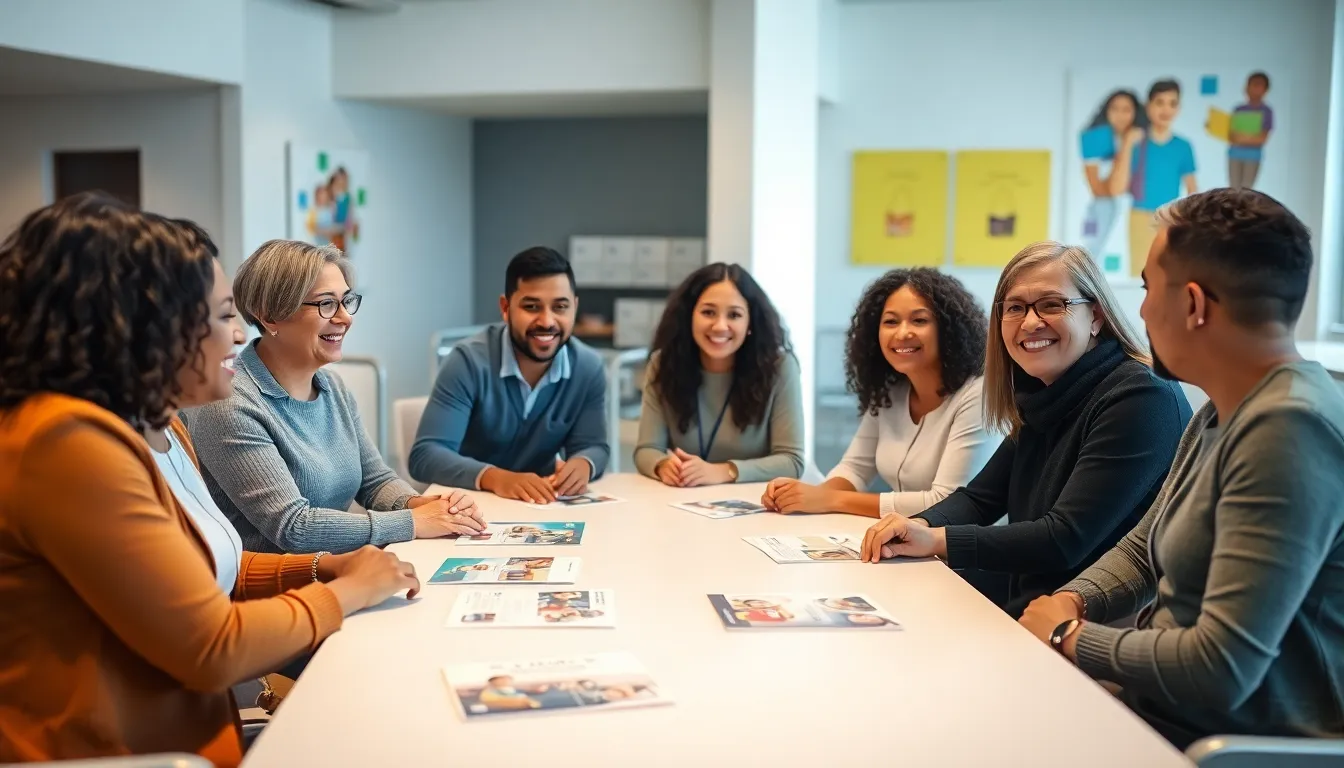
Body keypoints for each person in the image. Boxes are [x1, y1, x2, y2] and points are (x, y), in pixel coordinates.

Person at [0, 194, 420, 766]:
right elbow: (212, 648)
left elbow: (211, 565)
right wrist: (351, 590)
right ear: (142, 327)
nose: (240, 337)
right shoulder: (67, 445)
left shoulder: (160, 424)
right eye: (223, 315)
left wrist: (327, 566)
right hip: (113, 754)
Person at [1019, 189, 1344, 748]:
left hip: (1228, 746)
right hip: (1163, 716)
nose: (1140, 309)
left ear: (1193, 304)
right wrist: (1076, 599)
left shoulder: (1288, 430)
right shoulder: (1224, 407)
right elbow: (1147, 547)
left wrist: (1070, 635)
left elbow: (1219, 667)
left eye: (1148, 288)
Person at [860, 241, 1192, 618]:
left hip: (1094, 623)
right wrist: (917, 524)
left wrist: (936, 539)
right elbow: (980, 499)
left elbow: (1064, 538)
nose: (1031, 322)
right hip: (1033, 599)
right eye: (1016, 308)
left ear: (1096, 316)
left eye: (1052, 304)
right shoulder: (1043, 392)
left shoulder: (1140, 396)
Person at [188, 239, 483, 554]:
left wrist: (428, 506)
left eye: (347, 301)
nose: (345, 318)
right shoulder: (231, 405)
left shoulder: (333, 387)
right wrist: (413, 521)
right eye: (326, 303)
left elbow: (376, 482)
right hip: (279, 588)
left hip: (341, 568)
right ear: (270, 316)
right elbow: (292, 527)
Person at [761, 268, 997, 517]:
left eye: (919, 320)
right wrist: (803, 497)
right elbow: (855, 468)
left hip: (958, 549)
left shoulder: (979, 395)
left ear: (949, 330)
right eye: (891, 321)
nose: (902, 333)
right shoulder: (890, 392)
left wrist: (831, 500)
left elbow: (947, 501)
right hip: (905, 542)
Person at [410, 247, 609, 504]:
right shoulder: (468, 361)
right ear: (505, 308)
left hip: (541, 508)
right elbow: (426, 456)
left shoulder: (588, 367)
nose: (547, 321)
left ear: (575, 307)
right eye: (531, 306)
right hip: (471, 506)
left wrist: (584, 463)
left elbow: (595, 446)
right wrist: (498, 479)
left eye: (560, 307)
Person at [635, 263, 804, 486]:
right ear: (689, 316)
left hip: (757, 506)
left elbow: (792, 460)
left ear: (750, 322)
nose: (719, 326)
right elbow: (646, 449)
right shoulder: (664, 363)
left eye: (734, 315)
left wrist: (724, 471)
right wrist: (664, 466)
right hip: (683, 503)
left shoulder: (780, 367)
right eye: (708, 312)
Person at [1110, 79, 1197, 277]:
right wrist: (1127, 144)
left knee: (1171, 274)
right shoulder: (1135, 143)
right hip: (1140, 217)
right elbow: (1117, 189)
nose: (1166, 109)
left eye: (1172, 103)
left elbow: (1192, 188)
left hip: (1171, 219)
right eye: (1160, 102)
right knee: (1140, 274)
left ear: (1178, 108)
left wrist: (1191, 224)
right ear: (1148, 107)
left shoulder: (1183, 147)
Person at [1078, 89, 1149, 255]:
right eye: (1115, 109)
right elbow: (1100, 189)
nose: (1120, 115)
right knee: (1092, 251)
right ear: (1106, 111)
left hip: (1134, 211)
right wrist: (1126, 145)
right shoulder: (1094, 138)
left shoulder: (1143, 141)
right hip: (1101, 208)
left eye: (1126, 110)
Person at [1227, 71, 1274, 189]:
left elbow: (1262, 138)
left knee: (1246, 191)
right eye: (1252, 85)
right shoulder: (1238, 109)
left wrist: (1242, 139)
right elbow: (1231, 135)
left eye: (1258, 85)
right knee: (1233, 190)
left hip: (1252, 156)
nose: (1254, 89)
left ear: (1265, 89)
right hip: (1235, 155)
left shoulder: (1266, 111)